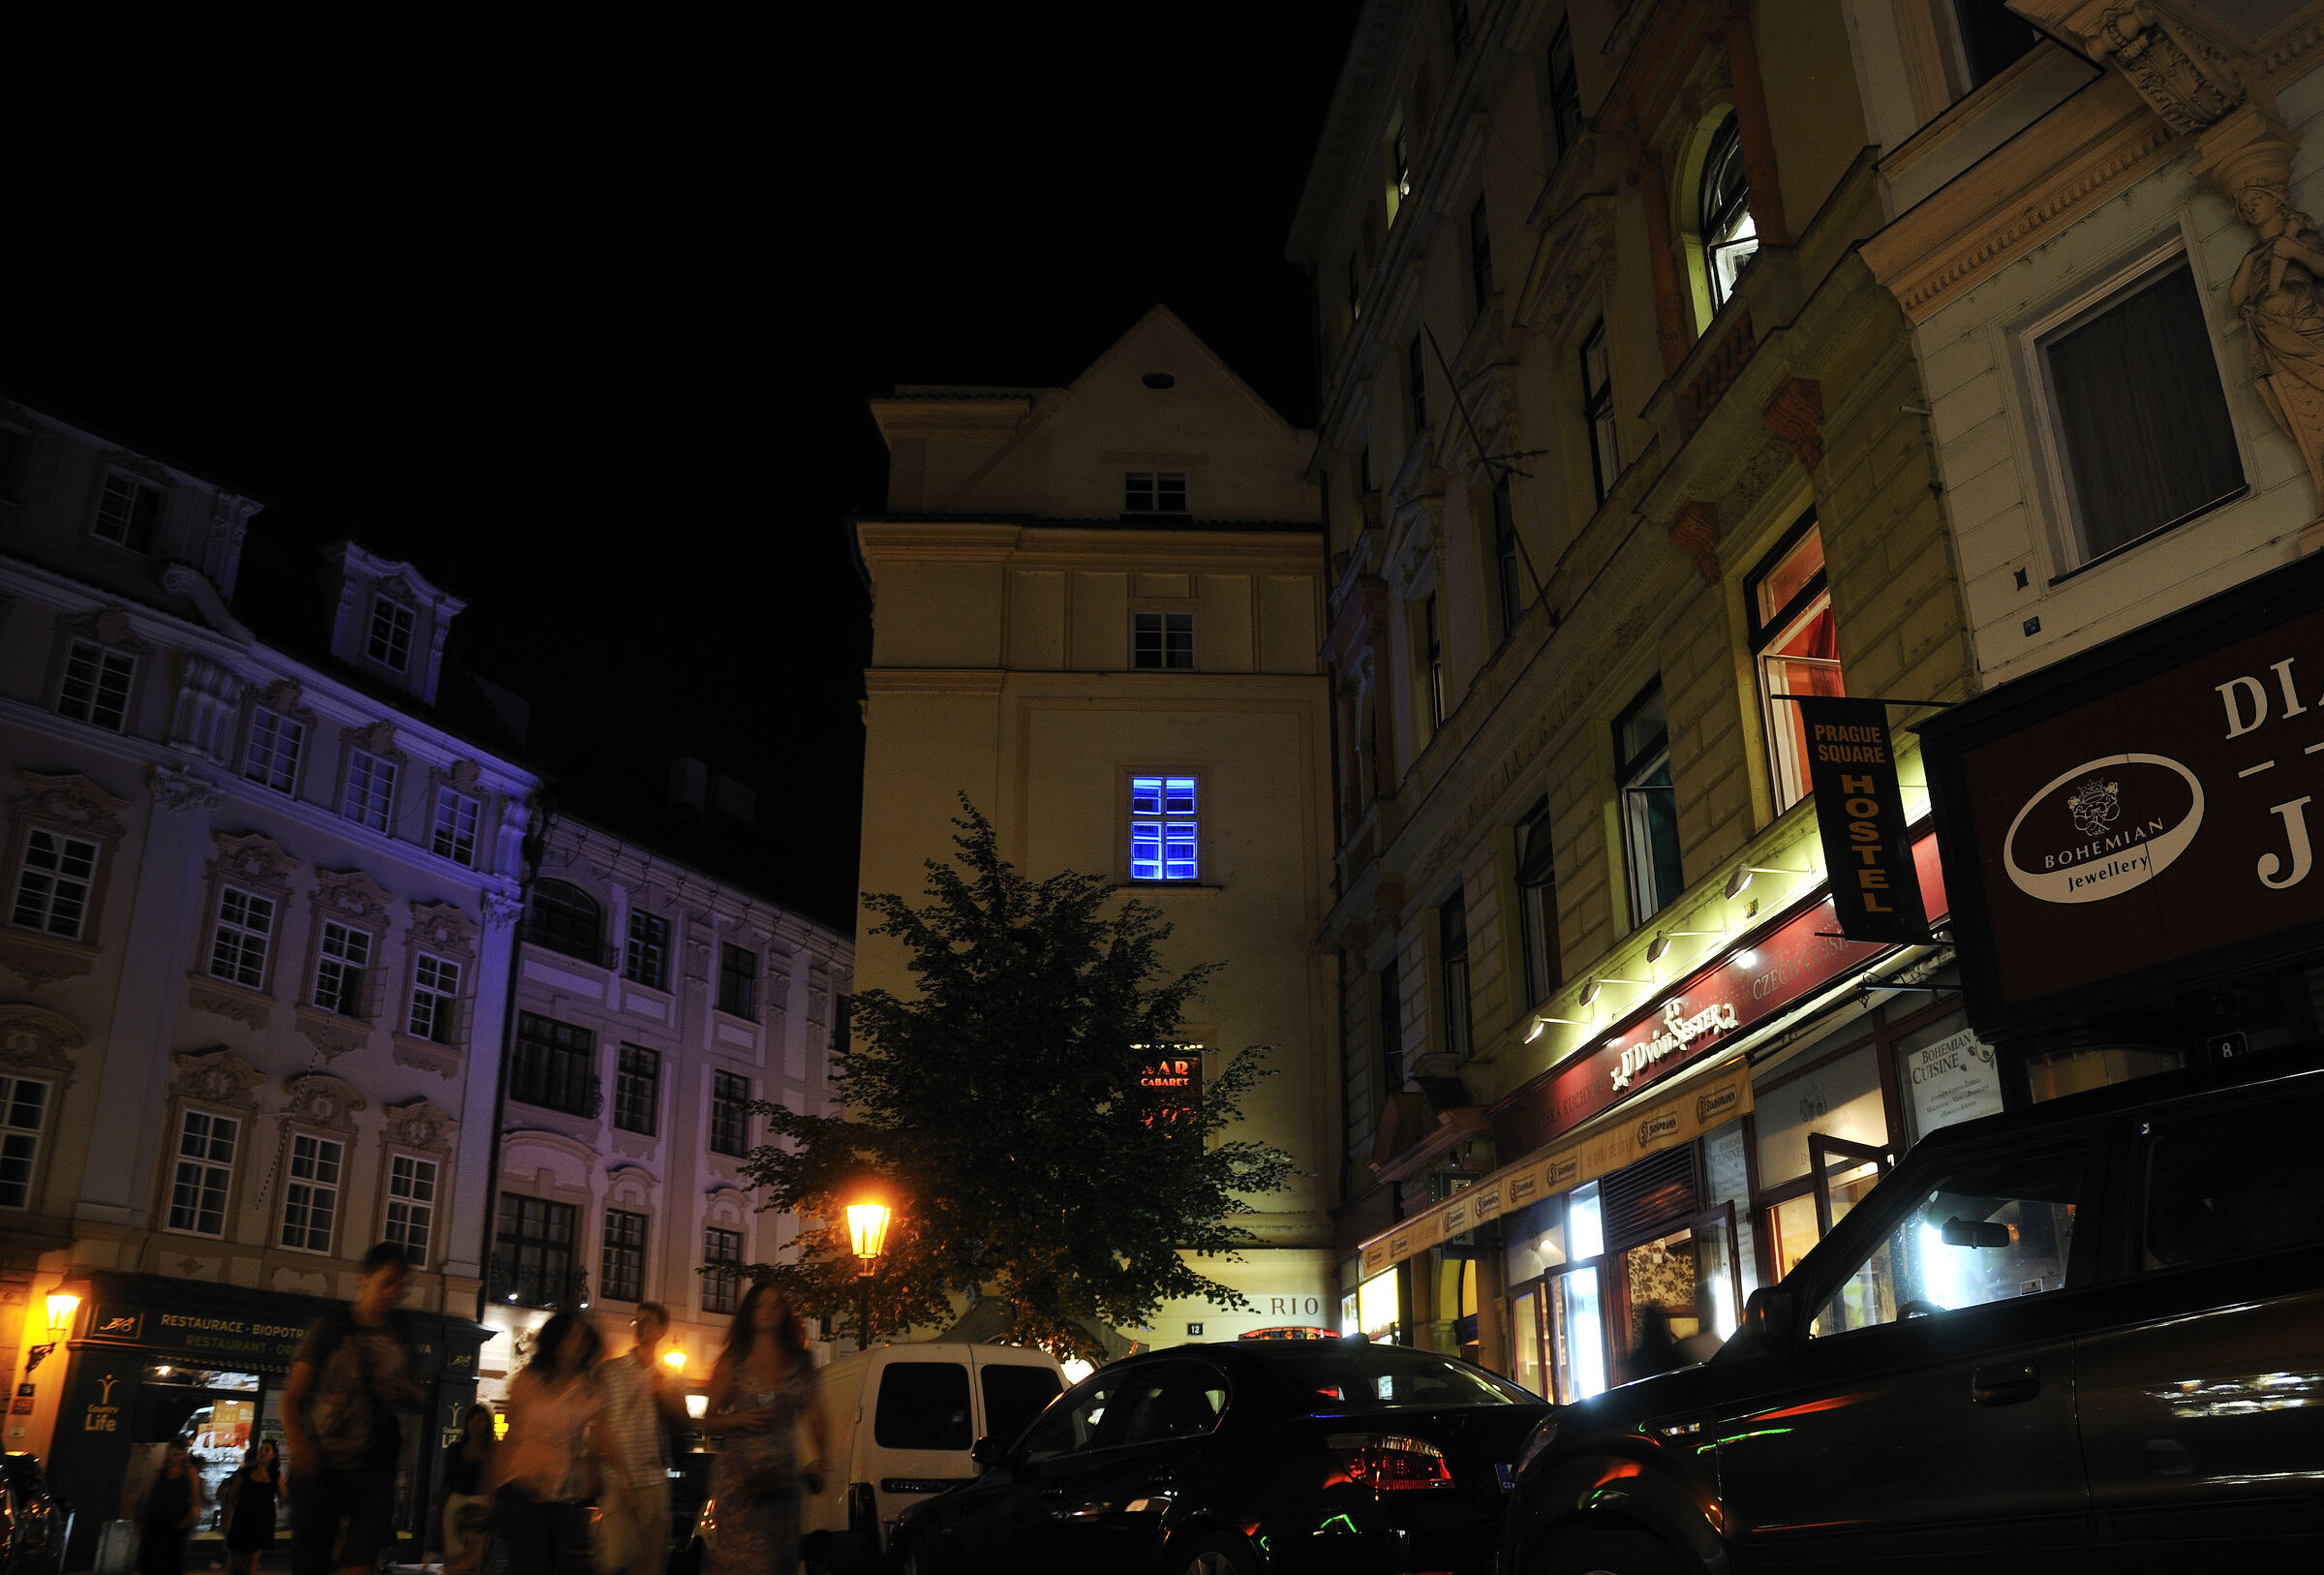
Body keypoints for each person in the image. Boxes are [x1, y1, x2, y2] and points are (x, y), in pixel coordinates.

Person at [282, 1242, 422, 1575]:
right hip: (322, 1465)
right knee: (311, 1562)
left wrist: (409, 1391)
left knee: (360, 1565)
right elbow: (291, 1396)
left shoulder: (401, 1331)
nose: (394, 1292)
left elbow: (419, 1396)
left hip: (374, 1468)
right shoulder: (331, 1327)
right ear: (363, 1278)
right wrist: (298, 1444)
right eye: (387, 1282)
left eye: (401, 1286)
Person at [703, 1282, 828, 1575]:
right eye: (761, 1305)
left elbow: (816, 1415)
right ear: (749, 1312)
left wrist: (820, 1459)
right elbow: (708, 1420)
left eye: (775, 1304)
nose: (768, 1312)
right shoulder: (733, 1362)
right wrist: (738, 1418)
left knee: (778, 1560)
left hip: (781, 1477)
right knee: (746, 1561)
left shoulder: (798, 1362)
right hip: (740, 1480)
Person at [488, 1310, 606, 1574]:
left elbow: (598, 1439)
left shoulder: (587, 1389)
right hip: (520, 1485)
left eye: (582, 1339)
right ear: (556, 1340)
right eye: (571, 1337)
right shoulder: (529, 1379)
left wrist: (592, 1468)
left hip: (562, 1494)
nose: (577, 1345)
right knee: (530, 1563)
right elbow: (507, 1435)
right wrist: (491, 1488)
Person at [596, 1302, 687, 1575]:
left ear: (661, 1330)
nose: (641, 1326)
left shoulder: (669, 1377)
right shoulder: (611, 1371)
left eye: (648, 1321)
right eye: (638, 1321)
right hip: (616, 1476)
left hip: (654, 1478)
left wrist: (663, 1393)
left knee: (651, 1560)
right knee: (616, 1557)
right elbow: (602, 1425)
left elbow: (682, 1421)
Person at [440, 1405, 496, 1575]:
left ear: (487, 1423)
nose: (476, 1424)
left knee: (479, 1555)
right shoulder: (456, 1450)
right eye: (472, 1419)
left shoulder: (493, 1451)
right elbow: (447, 1481)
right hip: (457, 1499)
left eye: (481, 1420)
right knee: (455, 1551)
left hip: (482, 1502)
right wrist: (440, 1509)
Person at [136, 1436, 204, 1575]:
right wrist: (142, 1517)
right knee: (153, 1562)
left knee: (172, 1563)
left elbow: (195, 1499)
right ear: (168, 1454)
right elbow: (148, 1497)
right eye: (174, 1454)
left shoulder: (190, 1473)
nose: (177, 1458)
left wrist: (188, 1519)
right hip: (157, 1522)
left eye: (180, 1454)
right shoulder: (159, 1473)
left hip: (178, 1522)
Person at [222, 1438, 284, 1574]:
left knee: (252, 1561)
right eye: (261, 1448)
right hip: (242, 1520)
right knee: (235, 1560)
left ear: (273, 1455)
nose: (262, 1452)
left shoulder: (275, 1476)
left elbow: (283, 1499)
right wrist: (227, 1520)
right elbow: (232, 1497)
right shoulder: (245, 1472)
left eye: (266, 1450)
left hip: (262, 1522)